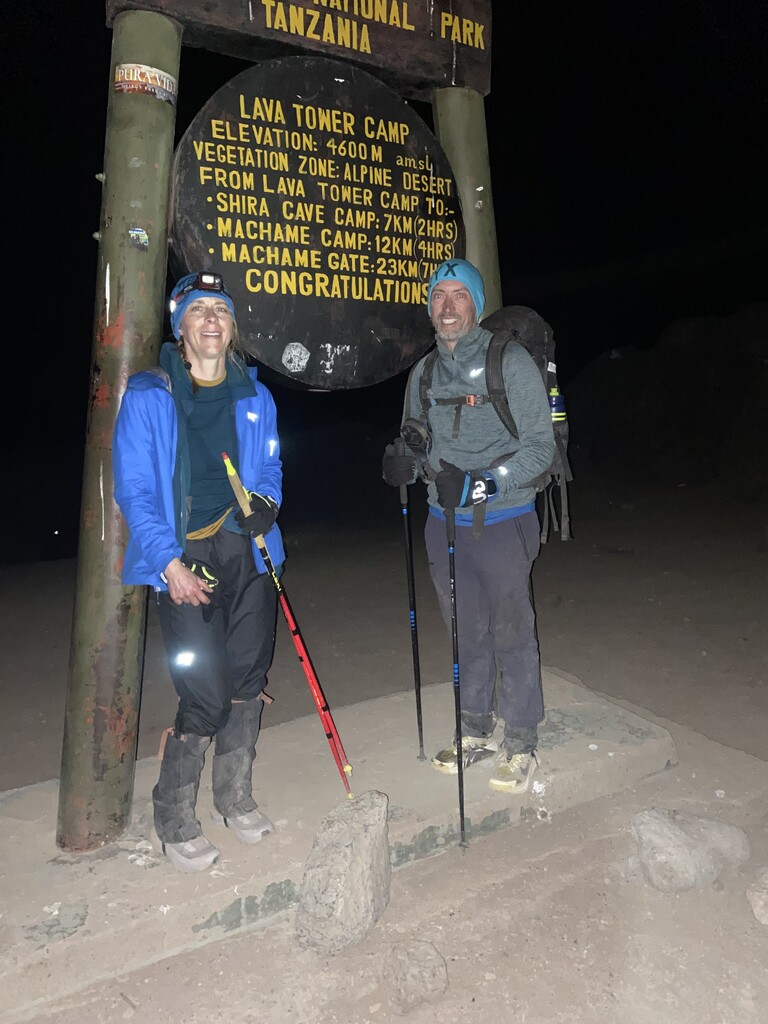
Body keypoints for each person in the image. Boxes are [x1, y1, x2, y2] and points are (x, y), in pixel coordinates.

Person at [114, 271, 285, 872]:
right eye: (198, 310)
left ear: (232, 327)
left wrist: (267, 501)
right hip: (184, 557)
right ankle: (173, 816)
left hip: (248, 551)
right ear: (180, 326)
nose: (211, 319)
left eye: (221, 310)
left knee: (248, 677)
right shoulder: (149, 395)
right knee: (205, 694)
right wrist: (168, 564)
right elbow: (135, 490)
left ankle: (235, 798)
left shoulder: (255, 396)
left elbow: (270, 465)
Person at [382, 259, 555, 794]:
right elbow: (417, 436)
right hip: (442, 522)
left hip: (503, 519)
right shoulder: (424, 372)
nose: (448, 306)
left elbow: (540, 448)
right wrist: (406, 460)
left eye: (459, 295)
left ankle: (521, 740)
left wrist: (483, 484)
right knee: (465, 629)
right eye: (439, 296)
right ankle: (474, 729)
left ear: (475, 305)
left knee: (511, 630)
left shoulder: (510, 362)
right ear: (430, 306)